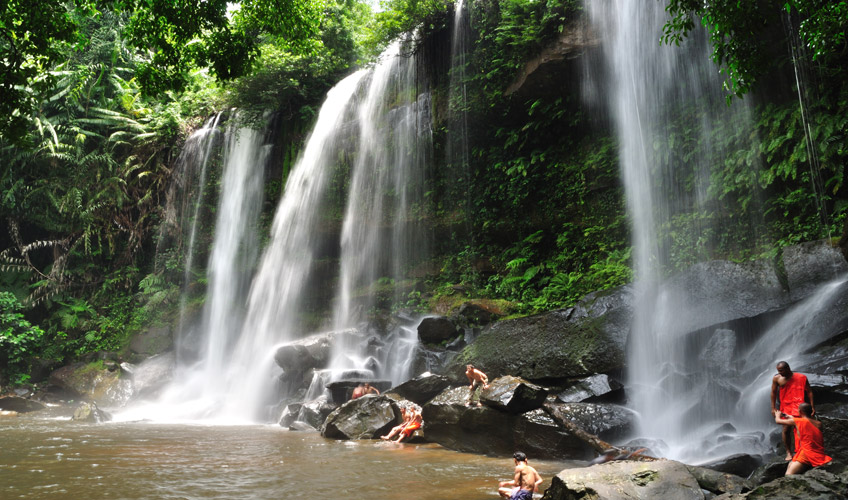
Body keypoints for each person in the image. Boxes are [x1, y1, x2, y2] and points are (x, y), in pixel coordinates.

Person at [770, 361, 814, 460]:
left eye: (781, 370)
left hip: (799, 407)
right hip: (785, 407)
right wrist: (773, 408)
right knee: (786, 429)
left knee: (801, 428)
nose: (779, 373)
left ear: (788, 368)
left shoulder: (801, 377)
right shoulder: (777, 378)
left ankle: (802, 451)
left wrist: (812, 406)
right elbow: (773, 393)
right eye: (778, 371)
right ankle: (788, 452)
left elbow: (809, 391)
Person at [774, 403, 831, 475]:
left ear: (800, 411)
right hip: (818, 452)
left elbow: (778, 421)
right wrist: (791, 417)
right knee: (790, 464)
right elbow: (805, 421)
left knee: (789, 474)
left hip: (807, 453)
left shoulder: (799, 421)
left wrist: (777, 415)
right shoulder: (819, 423)